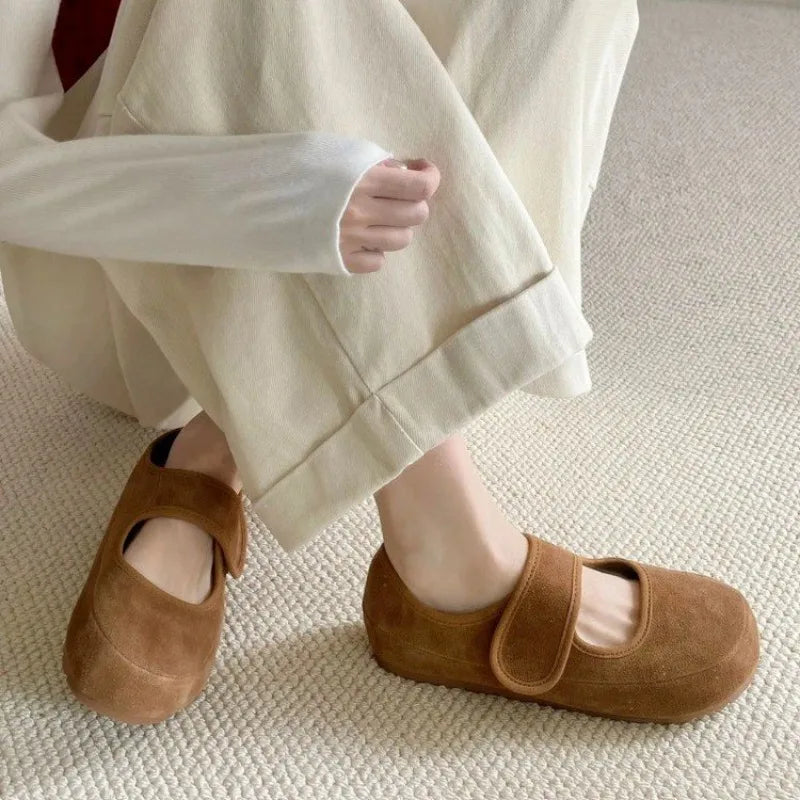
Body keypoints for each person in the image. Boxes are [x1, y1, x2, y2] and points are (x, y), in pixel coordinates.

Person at [0, 0, 758, 726]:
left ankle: (223, 434)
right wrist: (278, 200)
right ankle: (449, 555)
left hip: (351, 207)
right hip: (131, 260)